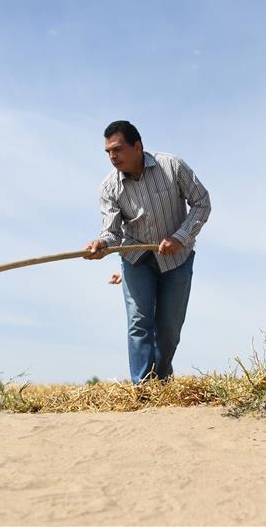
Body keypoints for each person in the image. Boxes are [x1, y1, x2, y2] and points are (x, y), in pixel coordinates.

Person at [85, 120, 211, 384]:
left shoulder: (172, 167)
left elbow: (201, 203)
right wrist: (102, 244)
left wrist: (180, 237)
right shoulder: (109, 188)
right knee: (139, 322)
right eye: (108, 152)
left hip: (177, 259)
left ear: (138, 146)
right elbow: (111, 232)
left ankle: (162, 381)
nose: (112, 157)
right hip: (136, 260)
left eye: (117, 149)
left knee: (168, 330)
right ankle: (142, 388)